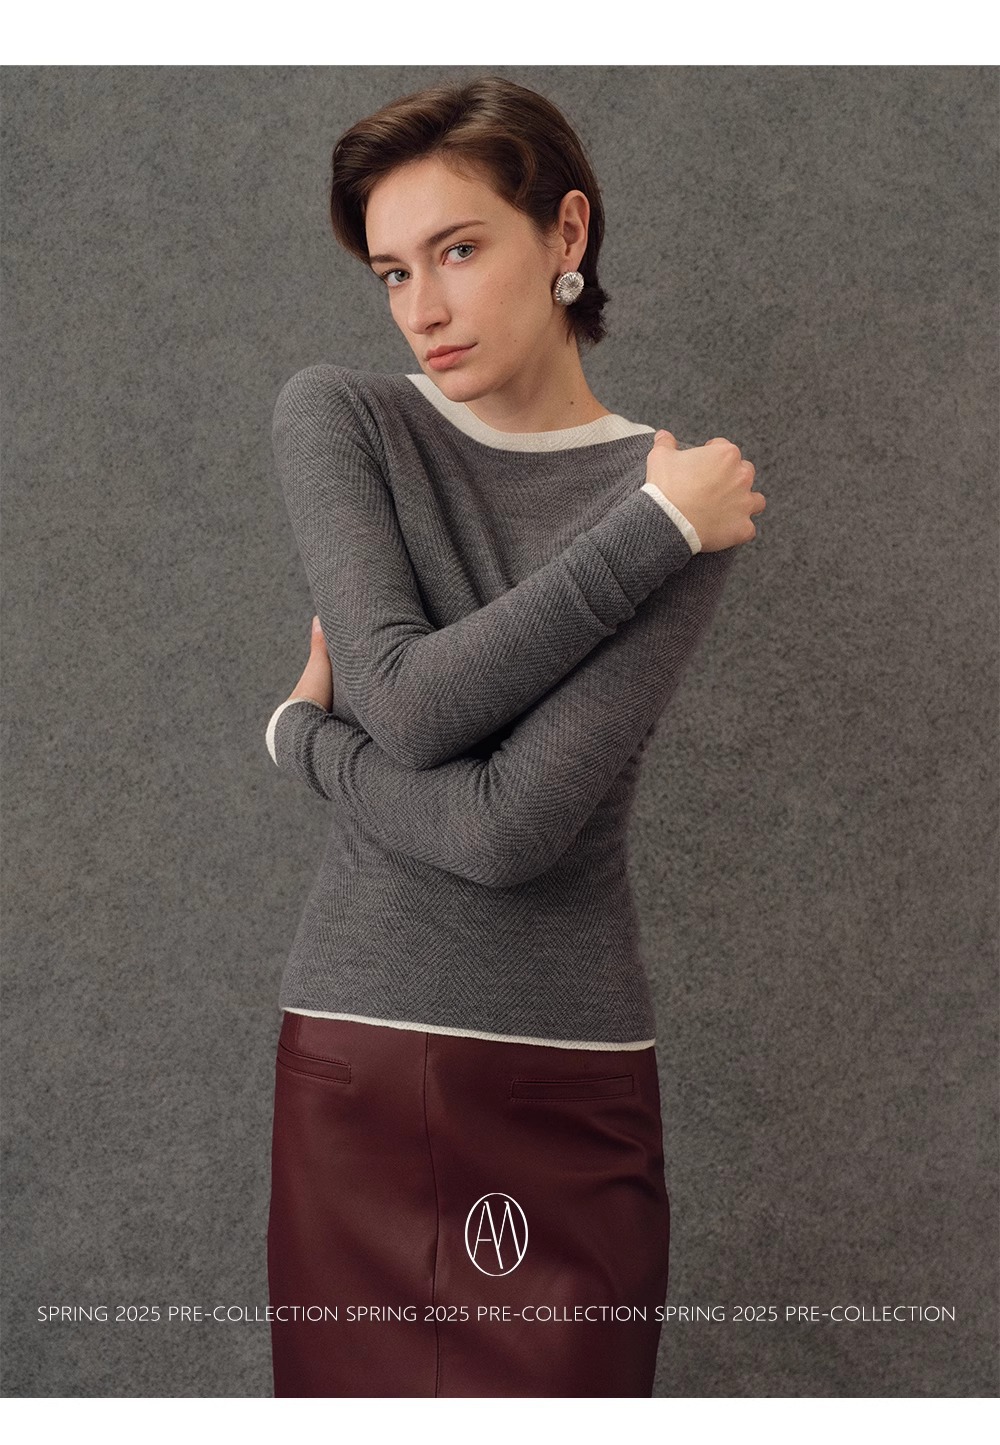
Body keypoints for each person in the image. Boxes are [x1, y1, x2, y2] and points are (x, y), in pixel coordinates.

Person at [264, 75, 764, 1399]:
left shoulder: (682, 496)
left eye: (458, 250)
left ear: (567, 234)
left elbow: (504, 832)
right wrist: (650, 536)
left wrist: (307, 740)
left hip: (566, 1078)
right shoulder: (343, 419)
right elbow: (413, 704)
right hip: (361, 1067)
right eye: (392, 272)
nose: (420, 309)